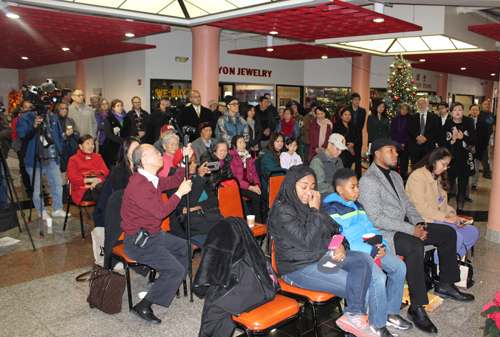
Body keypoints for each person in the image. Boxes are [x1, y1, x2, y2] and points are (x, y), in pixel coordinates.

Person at [358, 138, 474, 334]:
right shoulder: (368, 181)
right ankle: (416, 307)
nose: (396, 154)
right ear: (377, 153)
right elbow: (376, 218)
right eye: (391, 150)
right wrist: (412, 230)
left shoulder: (394, 176)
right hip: (386, 233)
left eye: (396, 151)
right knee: (414, 246)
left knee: (447, 232)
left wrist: (419, 223)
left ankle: (445, 284)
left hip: (404, 227)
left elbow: (408, 205)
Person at [267, 165, 378, 337]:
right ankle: (356, 322)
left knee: (363, 260)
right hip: (297, 268)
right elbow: (307, 242)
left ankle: (354, 317)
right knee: (359, 286)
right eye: (303, 187)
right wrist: (315, 210)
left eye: (312, 187)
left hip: (321, 256)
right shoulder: (283, 211)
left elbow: (335, 230)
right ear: (291, 185)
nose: (309, 192)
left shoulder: (310, 205)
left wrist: (338, 244)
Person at [323, 168, 411, 336]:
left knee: (399, 266)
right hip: (353, 252)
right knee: (378, 277)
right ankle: (377, 324)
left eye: (357, 187)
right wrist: (370, 250)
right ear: (340, 189)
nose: (358, 191)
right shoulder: (331, 209)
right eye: (353, 187)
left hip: (371, 248)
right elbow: (343, 239)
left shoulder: (357, 205)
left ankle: (390, 313)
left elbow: (370, 227)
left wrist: (381, 244)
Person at [121, 143, 193, 324]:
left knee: (186, 248)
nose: (159, 153)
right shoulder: (139, 184)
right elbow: (160, 212)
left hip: (153, 235)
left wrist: (184, 162)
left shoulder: (151, 178)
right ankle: (143, 306)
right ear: (143, 160)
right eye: (154, 152)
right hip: (139, 242)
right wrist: (179, 194)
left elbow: (174, 181)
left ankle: (165, 284)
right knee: (175, 270)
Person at [406, 147, 480, 262]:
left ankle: (453, 261)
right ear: (434, 160)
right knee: (456, 237)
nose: (445, 168)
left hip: (438, 218)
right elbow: (420, 208)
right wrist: (446, 219)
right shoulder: (417, 177)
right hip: (424, 221)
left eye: (447, 166)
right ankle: (439, 267)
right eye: (444, 164)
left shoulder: (437, 177)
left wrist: (451, 214)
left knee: (472, 232)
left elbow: (443, 204)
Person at [16, 106, 70, 219]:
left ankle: (57, 208)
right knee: (37, 188)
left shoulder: (52, 116)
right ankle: (41, 211)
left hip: (52, 157)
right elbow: (21, 134)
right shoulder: (25, 117)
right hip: (33, 158)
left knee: (57, 184)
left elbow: (59, 135)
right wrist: (34, 125)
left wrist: (58, 152)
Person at [170, 149, 216, 247]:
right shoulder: (172, 181)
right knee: (215, 245)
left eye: (195, 161)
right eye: (190, 162)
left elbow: (214, 201)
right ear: (179, 164)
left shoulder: (196, 177)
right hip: (187, 226)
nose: (194, 165)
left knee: (232, 237)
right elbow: (188, 203)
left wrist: (199, 207)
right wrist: (199, 178)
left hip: (206, 221)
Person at [438, 102, 476, 213]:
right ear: (451, 112)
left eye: (460, 109)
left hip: (464, 159)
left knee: (463, 184)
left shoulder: (468, 123)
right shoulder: (448, 124)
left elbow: (474, 140)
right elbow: (441, 141)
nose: (458, 112)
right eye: (455, 110)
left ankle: (460, 208)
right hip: (450, 160)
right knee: (448, 184)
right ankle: (445, 208)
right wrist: (452, 141)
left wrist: (463, 137)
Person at [228, 135, 264, 223]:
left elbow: (254, 173)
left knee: (266, 194)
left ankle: (268, 220)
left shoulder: (247, 156)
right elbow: (235, 179)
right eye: (240, 142)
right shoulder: (231, 157)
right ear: (234, 145)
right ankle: (257, 223)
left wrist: (256, 185)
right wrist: (250, 187)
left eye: (244, 142)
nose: (243, 144)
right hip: (238, 186)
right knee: (256, 196)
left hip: (249, 183)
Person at [67, 135, 109, 203]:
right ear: (80, 146)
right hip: (82, 190)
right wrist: (90, 180)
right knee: (105, 191)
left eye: (92, 143)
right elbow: (72, 178)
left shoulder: (98, 157)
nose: (90, 146)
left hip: (98, 186)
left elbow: (106, 172)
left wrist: (98, 180)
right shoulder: (73, 159)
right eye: (87, 143)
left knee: (107, 189)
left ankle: (101, 213)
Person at [309, 133, 346, 201]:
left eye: (342, 150)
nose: (340, 152)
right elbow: (318, 186)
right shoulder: (317, 161)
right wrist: (338, 189)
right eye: (337, 148)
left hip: (338, 195)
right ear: (329, 145)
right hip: (325, 198)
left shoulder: (338, 160)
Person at [407, 98, 440, 166]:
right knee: (415, 167)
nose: (421, 105)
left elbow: (436, 130)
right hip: (415, 146)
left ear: (427, 105)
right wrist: (418, 137)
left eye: (423, 103)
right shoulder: (412, 117)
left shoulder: (434, 117)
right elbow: (409, 129)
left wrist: (425, 138)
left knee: (427, 166)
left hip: (428, 146)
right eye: (420, 104)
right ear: (417, 106)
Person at [10, 101, 33, 196]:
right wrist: (19, 146)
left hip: (30, 145)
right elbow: (14, 134)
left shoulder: (34, 118)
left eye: (30, 107)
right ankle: (28, 187)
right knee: (24, 166)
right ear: (22, 109)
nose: (28, 109)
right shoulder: (18, 119)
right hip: (21, 144)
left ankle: (33, 185)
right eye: (26, 107)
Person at [100, 99, 130, 170]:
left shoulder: (127, 118)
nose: (120, 107)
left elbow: (130, 130)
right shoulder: (109, 119)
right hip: (113, 147)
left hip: (125, 147)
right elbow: (108, 134)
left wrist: (127, 141)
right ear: (113, 108)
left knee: (124, 167)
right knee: (113, 169)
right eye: (118, 106)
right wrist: (121, 140)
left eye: (121, 106)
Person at [53, 102, 80, 181]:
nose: (64, 110)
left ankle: (70, 184)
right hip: (62, 147)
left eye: (65, 109)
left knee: (72, 166)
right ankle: (63, 186)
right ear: (58, 110)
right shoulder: (55, 120)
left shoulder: (70, 120)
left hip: (72, 147)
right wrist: (65, 135)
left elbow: (77, 132)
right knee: (63, 167)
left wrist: (72, 132)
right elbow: (55, 136)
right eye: (62, 109)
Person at [346, 93, 367, 178]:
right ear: (351, 100)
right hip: (348, 136)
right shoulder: (347, 109)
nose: (356, 101)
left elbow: (361, 125)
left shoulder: (362, 111)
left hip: (358, 136)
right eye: (355, 99)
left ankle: (359, 178)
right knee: (348, 158)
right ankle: (347, 176)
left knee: (358, 159)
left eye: (358, 99)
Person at [470, 104, 489, 190]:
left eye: (476, 110)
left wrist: (482, 147)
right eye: (473, 109)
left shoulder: (483, 123)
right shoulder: (465, 121)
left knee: (476, 166)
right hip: (466, 148)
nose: (474, 111)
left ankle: (474, 183)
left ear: (479, 112)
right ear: (470, 111)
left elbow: (486, 137)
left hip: (478, 149)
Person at [390, 104, 410, 181]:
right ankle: (394, 178)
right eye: (402, 109)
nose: (404, 111)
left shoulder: (409, 119)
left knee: (404, 163)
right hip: (395, 144)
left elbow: (409, 133)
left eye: (406, 109)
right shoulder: (394, 119)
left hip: (405, 145)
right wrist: (398, 144)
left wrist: (404, 143)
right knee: (394, 161)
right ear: (399, 109)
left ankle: (403, 179)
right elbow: (392, 132)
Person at [478, 99, 494, 179]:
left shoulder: (491, 114)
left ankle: (486, 172)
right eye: (485, 104)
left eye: (488, 104)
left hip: (487, 138)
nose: (487, 105)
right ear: (482, 105)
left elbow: (492, 126)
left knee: (485, 156)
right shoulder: (480, 114)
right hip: (479, 138)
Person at [0, 111, 13, 209]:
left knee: (3, 179)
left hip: (0, 154)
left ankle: (4, 205)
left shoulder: (1, 116)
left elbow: (8, 130)